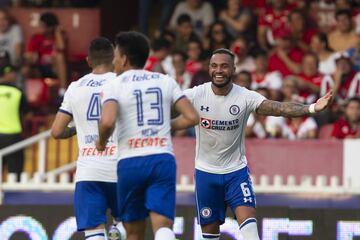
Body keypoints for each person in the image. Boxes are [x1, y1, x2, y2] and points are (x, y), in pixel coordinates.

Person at [171, 48, 332, 240]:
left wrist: (312, 108)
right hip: (206, 175)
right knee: (209, 236)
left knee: (250, 233)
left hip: (236, 173)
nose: (219, 70)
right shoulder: (195, 95)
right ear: (209, 68)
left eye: (224, 66)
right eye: (214, 66)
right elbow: (166, 102)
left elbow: (278, 108)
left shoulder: (245, 97)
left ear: (233, 69)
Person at [96, 31, 199, 240]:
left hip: (130, 161)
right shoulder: (165, 80)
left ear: (124, 59)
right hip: (161, 158)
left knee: (133, 232)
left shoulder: (113, 84)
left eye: (115, 55)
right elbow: (192, 117)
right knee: (162, 226)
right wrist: (166, 125)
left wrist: (101, 142)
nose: (113, 60)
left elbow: (107, 121)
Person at [51, 37, 122, 240]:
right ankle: (120, 231)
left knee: (93, 231)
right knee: (130, 223)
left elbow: (56, 131)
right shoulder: (122, 83)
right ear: (114, 58)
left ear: (88, 60)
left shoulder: (75, 87)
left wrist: (76, 129)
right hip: (120, 168)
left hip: (88, 171)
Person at [0, 54, 28, 181]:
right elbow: (26, 114)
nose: (15, 75)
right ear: (7, 74)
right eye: (13, 73)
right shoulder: (18, 92)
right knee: (15, 176)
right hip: (13, 138)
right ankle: (14, 201)